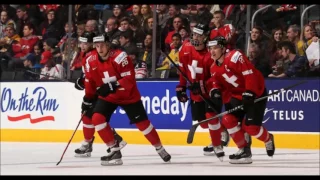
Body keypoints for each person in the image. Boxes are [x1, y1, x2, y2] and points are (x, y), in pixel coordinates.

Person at [81, 33, 171, 166]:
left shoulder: (120, 57)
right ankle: (114, 150)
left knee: (143, 125)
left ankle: (159, 148)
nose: (99, 48)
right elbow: (90, 81)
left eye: (102, 45)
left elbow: (129, 79)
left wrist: (112, 85)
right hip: (109, 97)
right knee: (97, 119)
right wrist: (87, 97)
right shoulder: (90, 60)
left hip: (128, 96)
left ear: (108, 45)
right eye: (97, 45)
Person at [206, 36, 275, 164]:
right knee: (227, 119)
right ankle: (244, 150)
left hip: (256, 93)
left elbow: (249, 74)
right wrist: (215, 90)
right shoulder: (213, 68)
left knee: (251, 128)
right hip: (237, 96)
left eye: (215, 47)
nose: (212, 51)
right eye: (210, 48)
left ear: (223, 48)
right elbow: (216, 82)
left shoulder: (235, 56)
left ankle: (268, 138)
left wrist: (250, 92)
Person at [176, 23, 229, 158]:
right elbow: (183, 70)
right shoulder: (185, 48)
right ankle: (222, 130)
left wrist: (200, 84)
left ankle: (217, 140)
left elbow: (214, 76)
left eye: (199, 35)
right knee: (201, 121)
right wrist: (181, 87)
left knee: (210, 116)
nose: (196, 37)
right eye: (194, 34)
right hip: (196, 93)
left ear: (206, 37)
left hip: (210, 91)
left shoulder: (211, 53)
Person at [73, 31, 127, 157]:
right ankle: (93, 142)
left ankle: (95, 143)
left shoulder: (92, 55)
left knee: (91, 116)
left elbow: (95, 76)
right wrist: (82, 81)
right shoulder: (86, 54)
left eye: (85, 43)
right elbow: (88, 76)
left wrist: (87, 92)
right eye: (81, 42)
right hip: (98, 89)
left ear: (92, 44)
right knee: (90, 116)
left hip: (102, 90)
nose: (82, 45)